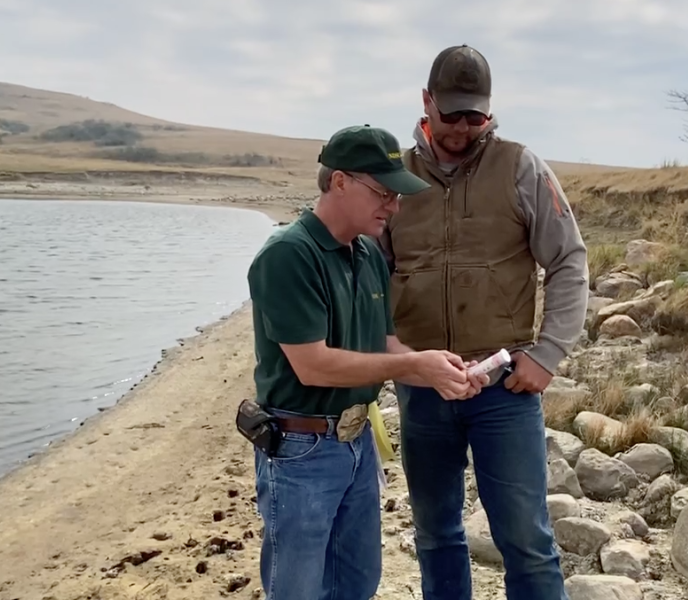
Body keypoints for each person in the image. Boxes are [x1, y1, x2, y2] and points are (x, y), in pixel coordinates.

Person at [377, 45, 589, 600]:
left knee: (527, 541)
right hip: (423, 387)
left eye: (476, 116)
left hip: (505, 388)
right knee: (435, 535)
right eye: (452, 114)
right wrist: (392, 358)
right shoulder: (396, 178)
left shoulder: (521, 167)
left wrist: (547, 354)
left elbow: (569, 260)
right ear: (427, 102)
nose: (463, 128)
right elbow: (369, 277)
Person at [246, 124, 489, 600]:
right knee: (297, 590)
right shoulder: (288, 255)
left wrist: (440, 370)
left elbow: (385, 346)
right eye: (384, 193)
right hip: (301, 451)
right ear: (339, 182)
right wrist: (413, 367)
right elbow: (313, 366)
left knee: (357, 583)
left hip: (357, 444)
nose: (393, 207)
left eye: (396, 195)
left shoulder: (368, 255)